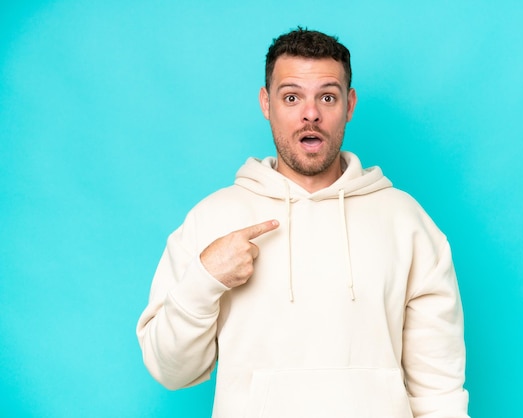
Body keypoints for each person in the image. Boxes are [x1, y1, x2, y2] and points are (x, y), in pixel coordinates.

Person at [137, 27, 469, 418]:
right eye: (291, 97)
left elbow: (440, 389)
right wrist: (204, 280)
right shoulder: (212, 218)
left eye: (327, 97)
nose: (310, 113)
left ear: (349, 104)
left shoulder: (406, 221)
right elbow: (170, 370)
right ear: (266, 103)